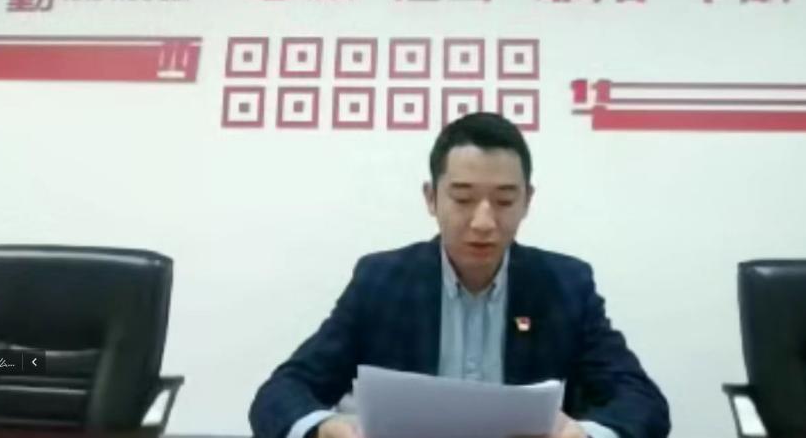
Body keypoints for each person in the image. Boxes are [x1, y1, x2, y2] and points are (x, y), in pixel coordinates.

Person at [249, 113, 670, 438]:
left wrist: (586, 435)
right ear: (431, 198)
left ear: (527, 200)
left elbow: (642, 402)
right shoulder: (381, 282)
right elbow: (283, 392)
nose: (483, 222)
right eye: (463, 198)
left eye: (504, 201)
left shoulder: (565, 285)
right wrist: (325, 428)